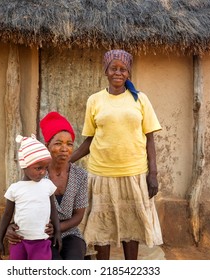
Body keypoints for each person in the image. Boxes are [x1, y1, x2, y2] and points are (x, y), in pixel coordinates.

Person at [70, 49, 163, 260]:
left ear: (129, 73)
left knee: (132, 227)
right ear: (106, 71)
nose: (118, 73)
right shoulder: (94, 100)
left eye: (123, 69)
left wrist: (153, 173)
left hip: (134, 173)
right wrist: (67, 160)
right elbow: (90, 140)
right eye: (114, 68)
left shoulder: (140, 99)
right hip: (101, 174)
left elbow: (150, 138)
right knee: (103, 228)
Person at [5, 112, 88, 260]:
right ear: (47, 146)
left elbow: (78, 216)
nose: (64, 149)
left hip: (69, 233)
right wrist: (11, 227)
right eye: (58, 143)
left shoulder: (80, 175)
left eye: (69, 144)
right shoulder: (35, 174)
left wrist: (57, 228)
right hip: (39, 235)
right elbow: (20, 209)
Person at [0, 134, 62, 260]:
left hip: (41, 241)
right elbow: (7, 214)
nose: (43, 172)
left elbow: (53, 210)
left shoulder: (48, 185)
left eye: (45, 168)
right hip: (18, 241)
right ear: (24, 166)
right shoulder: (15, 189)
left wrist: (58, 232)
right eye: (38, 168)